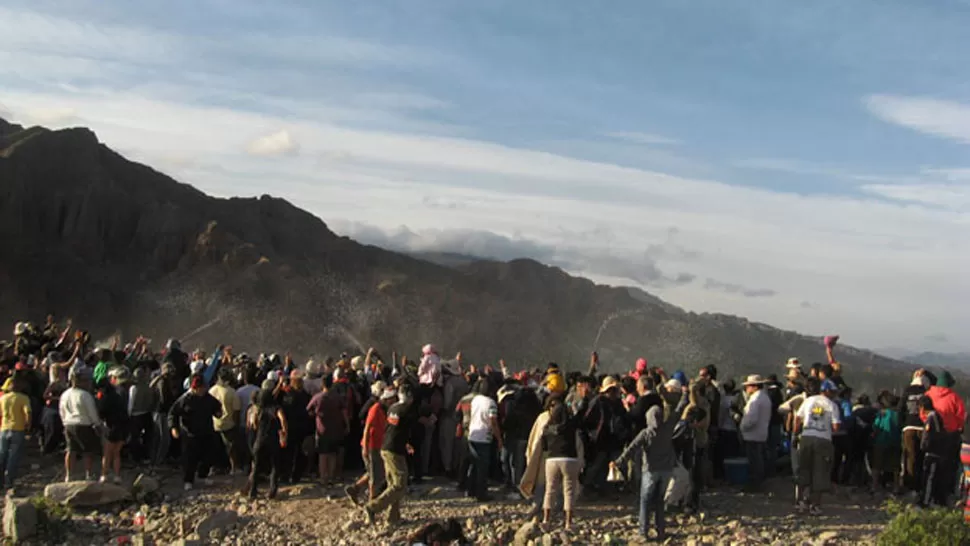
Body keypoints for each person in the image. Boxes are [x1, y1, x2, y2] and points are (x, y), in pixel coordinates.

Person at [611, 380, 688, 542]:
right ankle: (661, 531)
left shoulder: (646, 433)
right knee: (659, 501)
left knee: (645, 502)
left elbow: (631, 449)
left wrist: (617, 462)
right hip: (666, 470)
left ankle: (643, 532)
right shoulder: (668, 427)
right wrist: (685, 393)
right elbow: (680, 409)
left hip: (650, 470)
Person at [363, 386, 416, 527]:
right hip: (395, 451)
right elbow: (410, 429)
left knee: (393, 484)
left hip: (386, 447)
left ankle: (393, 517)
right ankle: (372, 507)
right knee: (400, 484)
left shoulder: (393, 408)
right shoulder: (407, 410)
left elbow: (394, 429)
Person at [793, 377, 840, 515]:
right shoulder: (832, 405)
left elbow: (798, 418)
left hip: (806, 437)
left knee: (804, 469)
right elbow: (836, 426)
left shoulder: (808, 400)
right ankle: (815, 505)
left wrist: (796, 434)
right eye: (833, 392)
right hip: (823, 440)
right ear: (828, 391)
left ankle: (800, 502)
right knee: (820, 472)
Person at [169, 374, 223, 491]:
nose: (203, 390)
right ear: (194, 388)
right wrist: (174, 428)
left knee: (208, 456)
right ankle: (188, 480)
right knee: (189, 459)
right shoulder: (185, 399)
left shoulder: (208, 398)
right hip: (190, 434)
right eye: (200, 388)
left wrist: (218, 412)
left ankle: (203, 475)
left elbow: (217, 407)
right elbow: (173, 413)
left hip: (207, 431)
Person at [540, 397, 584, 530]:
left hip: (551, 460)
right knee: (569, 491)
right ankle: (568, 522)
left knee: (550, 490)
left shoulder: (547, 427)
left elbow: (544, 446)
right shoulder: (571, 425)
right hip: (569, 459)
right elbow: (581, 415)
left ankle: (546, 519)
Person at [346, 386, 395, 504]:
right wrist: (365, 446)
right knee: (375, 475)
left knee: (374, 471)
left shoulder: (386, 409)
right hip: (372, 445)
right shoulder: (376, 409)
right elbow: (367, 427)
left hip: (379, 444)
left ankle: (355, 488)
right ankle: (372, 501)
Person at [59, 368, 101, 482]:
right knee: (87, 451)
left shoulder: (65, 394)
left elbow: (61, 410)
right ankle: (88, 474)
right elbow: (92, 412)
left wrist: (64, 422)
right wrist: (97, 424)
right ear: (81, 381)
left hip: (69, 424)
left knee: (71, 450)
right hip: (84, 424)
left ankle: (69, 475)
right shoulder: (85, 395)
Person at [307, 377, 349, 486]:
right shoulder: (337, 397)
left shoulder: (317, 397)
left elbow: (308, 410)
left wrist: (316, 414)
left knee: (323, 455)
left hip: (322, 429)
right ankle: (331, 477)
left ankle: (323, 478)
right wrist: (347, 425)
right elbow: (344, 412)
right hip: (336, 429)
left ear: (323, 384)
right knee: (332, 454)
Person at [247, 387, 288, 499]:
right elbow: (283, 419)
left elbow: (254, 424)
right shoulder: (276, 408)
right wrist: (284, 431)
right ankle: (272, 491)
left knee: (256, 467)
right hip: (273, 440)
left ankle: (253, 491)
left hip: (260, 440)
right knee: (275, 465)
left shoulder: (258, 409)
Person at [467, 377, 502, 502]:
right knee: (482, 467)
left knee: (473, 465)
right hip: (484, 437)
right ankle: (481, 493)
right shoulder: (491, 403)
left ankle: (470, 490)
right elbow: (493, 422)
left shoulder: (476, 399)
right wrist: (499, 438)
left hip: (472, 434)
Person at [97, 368, 131, 484]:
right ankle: (117, 475)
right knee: (117, 452)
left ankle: (104, 475)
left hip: (111, 425)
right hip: (124, 424)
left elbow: (102, 410)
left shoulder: (110, 394)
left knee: (107, 453)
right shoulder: (126, 392)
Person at [899, 370, 930, 493]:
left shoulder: (907, 391)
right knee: (921, 456)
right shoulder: (926, 392)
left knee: (910, 457)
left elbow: (900, 409)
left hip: (909, 428)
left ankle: (909, 485)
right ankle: (920, 485)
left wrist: (903, 425)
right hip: (922, 428)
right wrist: (926, 372)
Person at [739, 375, 772, 492]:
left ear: (754, 387)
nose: (747, 389)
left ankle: (754, 484)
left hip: (752, 435)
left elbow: (751, 419)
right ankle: (760, 482)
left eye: (748, 386)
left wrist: (742, 427)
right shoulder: (765, 398)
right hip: (761, 433)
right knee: (760, 459)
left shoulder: (755, 400)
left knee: (754, 461)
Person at [280, 370, 312, 484]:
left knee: (291, 453)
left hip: (293, 428)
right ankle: (293, 476)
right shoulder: (305, 395)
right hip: (298, 428)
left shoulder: (288, 394)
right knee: (296, 453)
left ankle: (289, 476)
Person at [0, 377, 32, 489]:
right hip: (18, 429)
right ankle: (9, 481)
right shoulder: (23, 398)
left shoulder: (3, 398)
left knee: (2, 454)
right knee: (13, 456)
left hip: (4, 428)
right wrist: (28, 426)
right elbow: (28, 412)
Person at [210, 369, 242, 476]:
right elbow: (236, 411)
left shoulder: (212, 390)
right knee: (231, 448)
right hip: (229, 424)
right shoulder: (232, 392)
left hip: (215, 424)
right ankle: (234, 468)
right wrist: (236, 424)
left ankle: (216, 468)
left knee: (216, 448)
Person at [150, 362, 182, 467]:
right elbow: (164, 399)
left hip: (159, 412)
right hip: (161, 412)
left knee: (158, 438)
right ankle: (158, 461)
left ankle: (156, 460)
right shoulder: (163, 382)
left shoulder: (163, 381)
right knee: (164, 439)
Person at [918, 396, 947, 507]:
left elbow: (934, 434)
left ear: (922, 407)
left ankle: (926, 501)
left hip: (934, 452)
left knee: (930, 477)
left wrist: (926, 446)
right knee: (928, 477)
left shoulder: (932, 417)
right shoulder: (933, 417)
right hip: (932, 452)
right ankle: (927, 499)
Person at [127, 366, 156, 464]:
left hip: (136, 415)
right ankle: (146, 457)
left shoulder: (134, 388)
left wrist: (128, 415)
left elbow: (131, 403)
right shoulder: (148, 387)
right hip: (147, 414)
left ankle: (136, 458)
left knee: (135, 438)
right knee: (146, 438)